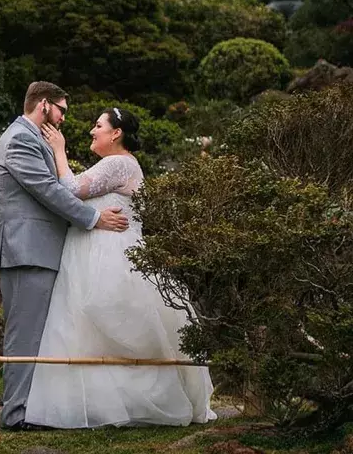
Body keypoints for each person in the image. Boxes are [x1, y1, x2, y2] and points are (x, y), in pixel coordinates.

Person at [24, 107, 217, 428]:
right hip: (92, 254)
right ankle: (102, 404)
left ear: (116, 133)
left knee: (105, 320)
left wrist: (59, 151)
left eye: (98, 125)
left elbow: (70, 189)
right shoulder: (114, 164)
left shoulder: (118, 163)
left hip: (109, 257)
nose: (92, 131)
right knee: (86, 328)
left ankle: (128, 403)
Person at [0, 82, 129, 431]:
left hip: (37, 249)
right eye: (61, 110)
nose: (65, 118)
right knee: (24, 335)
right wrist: (95, 219)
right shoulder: (21, 139)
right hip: (27, 250)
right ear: (43, 105)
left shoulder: (31, 138)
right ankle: (16, 415)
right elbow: (48, 191)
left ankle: (25, 408)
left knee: (34, 333)